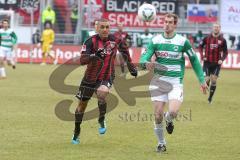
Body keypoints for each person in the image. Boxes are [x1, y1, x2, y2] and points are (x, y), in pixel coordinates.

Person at [139, 13, 207, 152]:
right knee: (157, 114)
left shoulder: (182, 42)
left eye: (170, 22)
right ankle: (161, 143)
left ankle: (169, 119)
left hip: (175, 82)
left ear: (175, 24)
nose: (167, 24)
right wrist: (145, 63)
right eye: (165, 21)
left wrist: (201, 79)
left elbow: (194, 60)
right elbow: (144, 57)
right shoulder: (156, 40)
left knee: (173, 111)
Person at [71, 18, 138, 144]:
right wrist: (94, 56)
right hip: (89, 78)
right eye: (102, 27)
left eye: (107, 27)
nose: (105, 30)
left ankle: (101, 118)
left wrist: (131, 67)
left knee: (102, 93)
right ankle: (76, 131)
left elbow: (125, 53)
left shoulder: (116, 40)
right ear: (97, 28)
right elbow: (82, 60)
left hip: (106, 76)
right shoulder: (90, 41)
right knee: (81, 107)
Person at [199, 23, 228, 104]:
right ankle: (205, 84)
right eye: (215, 27)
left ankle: (210, 99)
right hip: (207, 62)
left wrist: (222, 59)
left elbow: (226, 52)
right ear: (212, 28)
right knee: (207, 79)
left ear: (220, 28)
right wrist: (202, 56)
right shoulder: (207, 38)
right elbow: (200, 46)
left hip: (216, 63)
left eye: (217, 27)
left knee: (214, 80)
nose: (216, 28)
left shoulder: (223, 40)